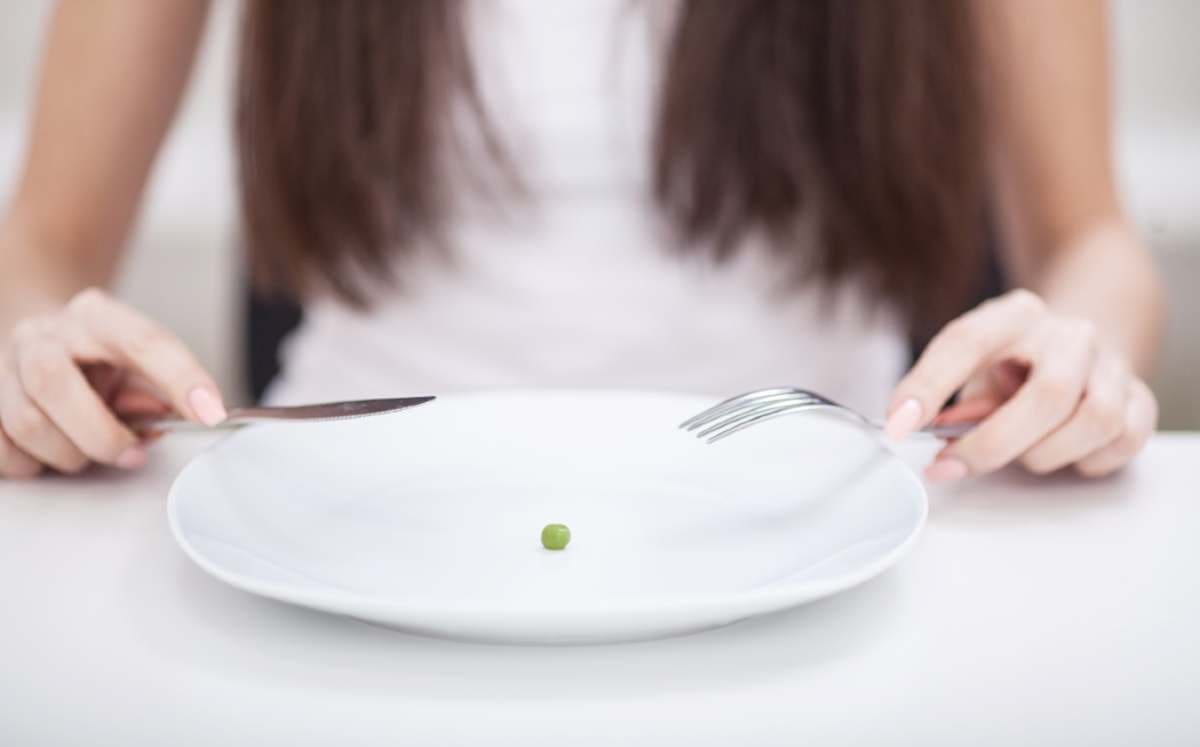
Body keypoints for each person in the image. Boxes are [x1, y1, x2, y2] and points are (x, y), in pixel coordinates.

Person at [0, 0, 1165, 483]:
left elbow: (1091, 242)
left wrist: (1077, 353)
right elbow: (40, 253)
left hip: (820, 526)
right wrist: (35, 355)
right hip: (345, 533)